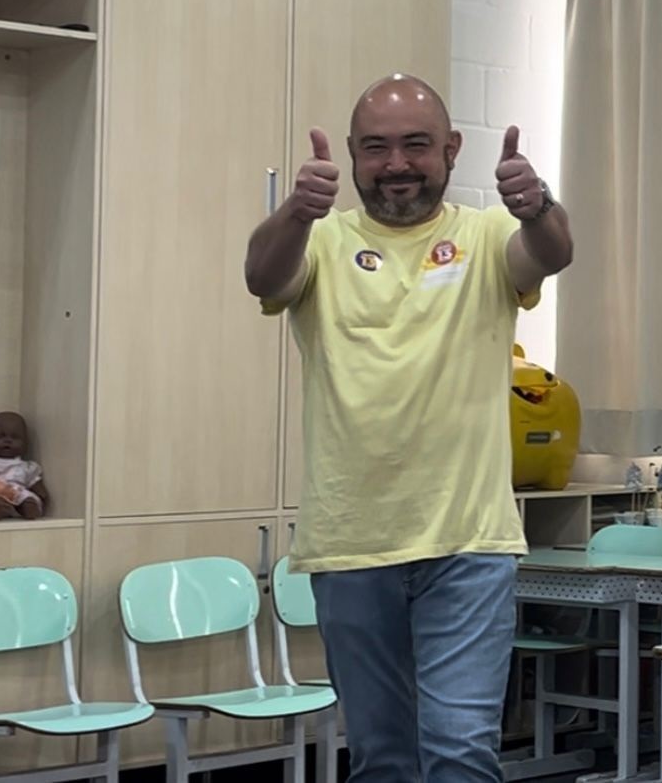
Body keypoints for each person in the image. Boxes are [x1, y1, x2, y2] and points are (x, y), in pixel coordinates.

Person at [243, 73, 573, 782]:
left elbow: (549, 253)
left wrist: (537, 205)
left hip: (468, 543)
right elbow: (263, 279)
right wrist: (295, 213)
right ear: (355, 157)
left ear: (451, 149)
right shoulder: (323, 243)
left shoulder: (486, 235)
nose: (396, 164)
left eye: (415, 145)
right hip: (351, 545)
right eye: (376, 148)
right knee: (381, 756)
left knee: (460, 750)